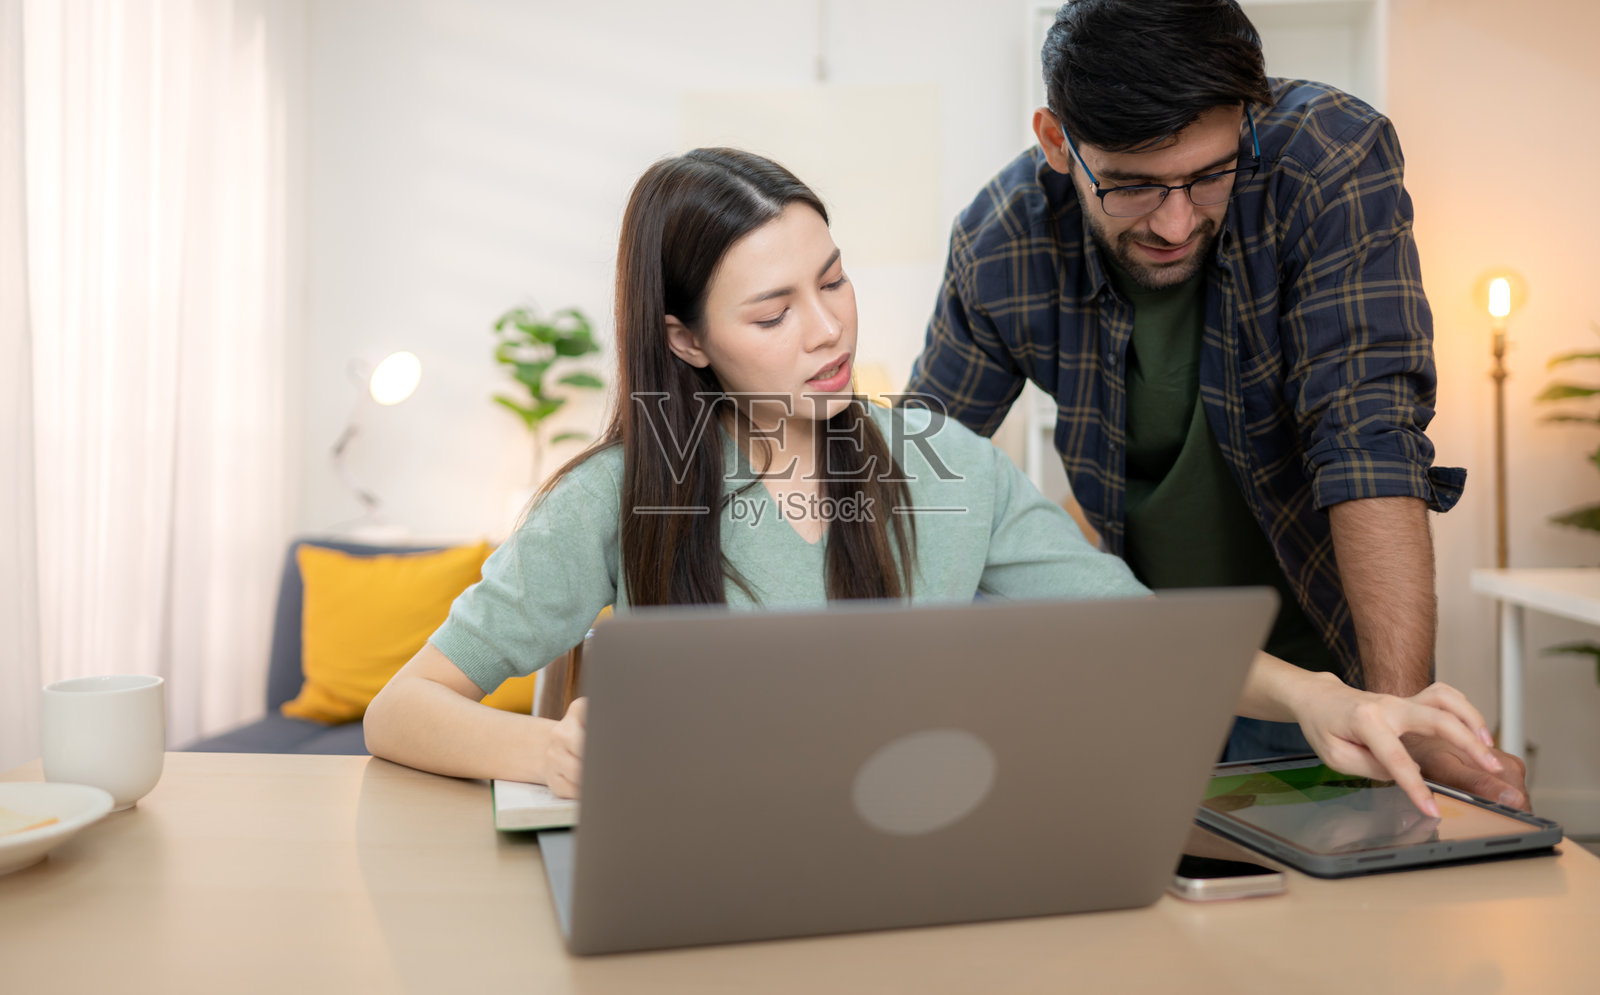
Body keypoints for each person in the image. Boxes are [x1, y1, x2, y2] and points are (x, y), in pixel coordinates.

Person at [364, 147, 1505, 816]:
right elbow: (403, 707)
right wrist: (547, 749)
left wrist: (1327, 697)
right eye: (772, 311)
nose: (826, 331)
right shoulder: (617, 498)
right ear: (687, 340)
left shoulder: (942, 466)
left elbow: (1142, 636)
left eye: (834, 279)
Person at [904, 0, 1528, 807]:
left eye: (1208, 174)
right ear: (1057, 143)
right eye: (1130, 185)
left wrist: (1397, 718)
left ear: (1249, 118)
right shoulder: (1000, 239)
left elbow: (1367, 438)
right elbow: (919, 475)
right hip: (1157, 665)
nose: (1174, 221)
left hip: (1333, 667)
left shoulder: (1329, 160)